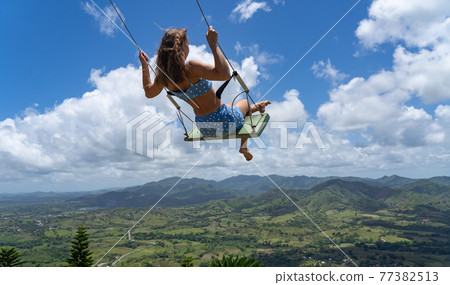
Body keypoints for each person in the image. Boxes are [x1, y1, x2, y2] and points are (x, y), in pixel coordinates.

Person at [139, 26, 270, 161]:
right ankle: (244, 146)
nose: (188, 47)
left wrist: (145, 66)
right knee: (245, 103)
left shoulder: (164, 77)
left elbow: (149, 92)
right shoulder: (190, 67)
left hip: (204, 127)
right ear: (181, 47)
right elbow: (225, 74)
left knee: (230, 105)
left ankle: (257, 107)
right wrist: (213, 45)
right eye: (187, 44)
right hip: (225, 121)